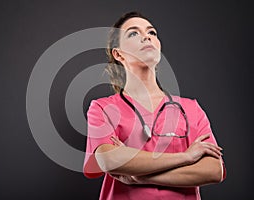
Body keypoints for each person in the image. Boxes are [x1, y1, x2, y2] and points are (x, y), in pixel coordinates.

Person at [83, 11, 226, 200]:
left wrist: (138, 177)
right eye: (133, 33)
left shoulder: (191, 109)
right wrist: (186, 157)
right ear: (118, 54)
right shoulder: (102, 108)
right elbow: (109, 159)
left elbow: (213, 170)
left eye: (152, 33)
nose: (146, 37)